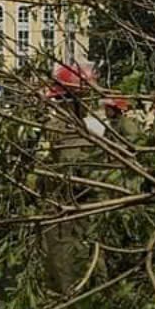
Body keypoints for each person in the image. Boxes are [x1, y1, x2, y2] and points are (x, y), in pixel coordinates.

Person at [40, 63, 105, 296]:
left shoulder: (69, 128)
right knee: (73, 282)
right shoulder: (68, 132)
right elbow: (78, 176)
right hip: (69, 222)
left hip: (65, 217)